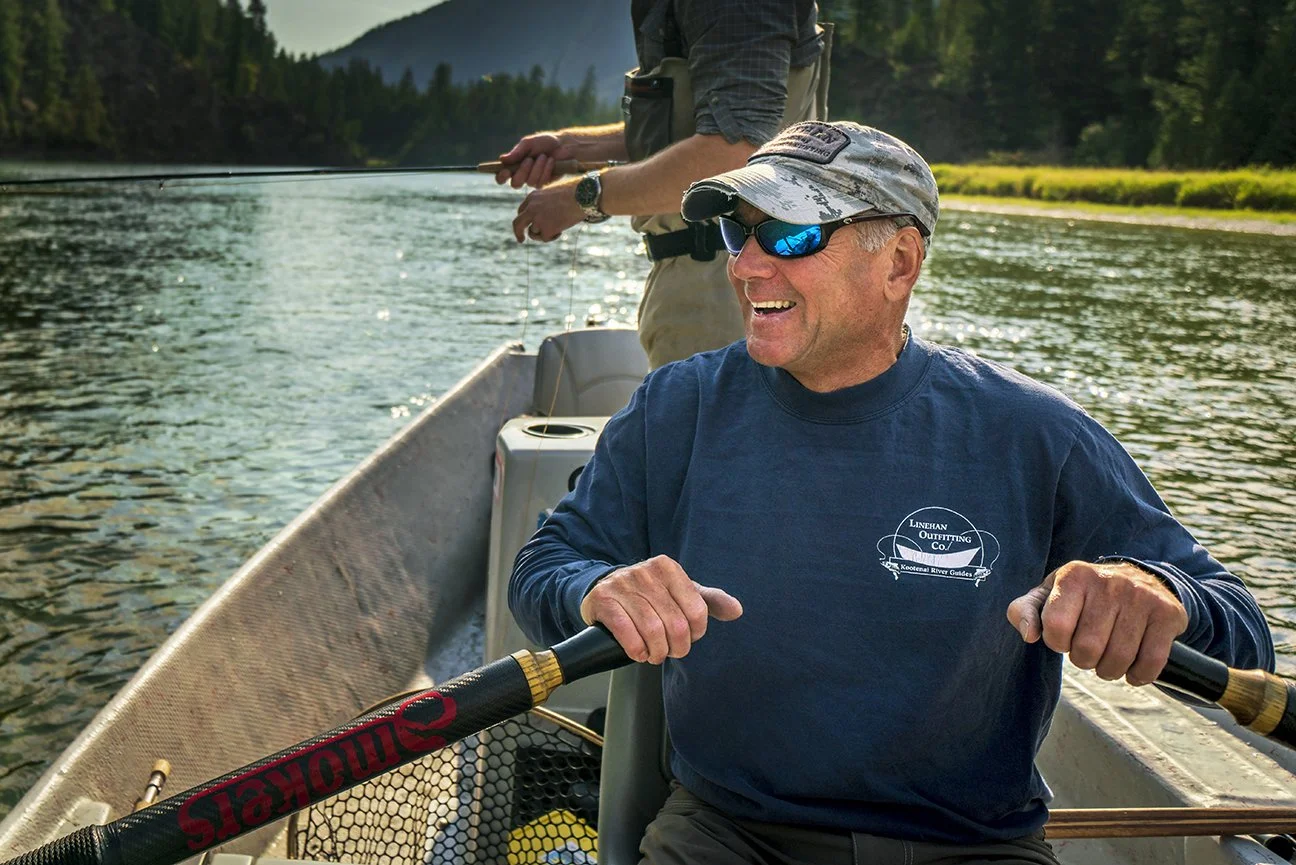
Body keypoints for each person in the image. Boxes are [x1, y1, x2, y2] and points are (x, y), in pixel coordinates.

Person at [508, 120, 1276, 865]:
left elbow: (1241, 630)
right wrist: (602, 586)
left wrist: (1155, 593)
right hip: (730, 833)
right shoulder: (678, 407)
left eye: (791, 234)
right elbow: (546, 563)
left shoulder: (1033, 431)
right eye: (737, 232)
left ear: (899, 263)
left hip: (972, 844)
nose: (745, 265)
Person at [497, 1, 831, 369]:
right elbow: (705, 133)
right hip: (718, 280)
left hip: (728, 285)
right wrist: (572, 147)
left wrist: (584, 197)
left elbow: (735, 154)